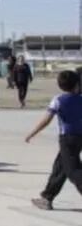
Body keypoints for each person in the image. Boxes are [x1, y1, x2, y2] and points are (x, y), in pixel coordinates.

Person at [26, 70, 82, 210]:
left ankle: (47, 198)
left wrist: (33, 132)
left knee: (72, 171)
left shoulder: (58, 100)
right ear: (77, 84)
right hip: (79, 138)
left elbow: (46, 120)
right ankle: (47, 197)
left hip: (67, 139)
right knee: (60, 167)